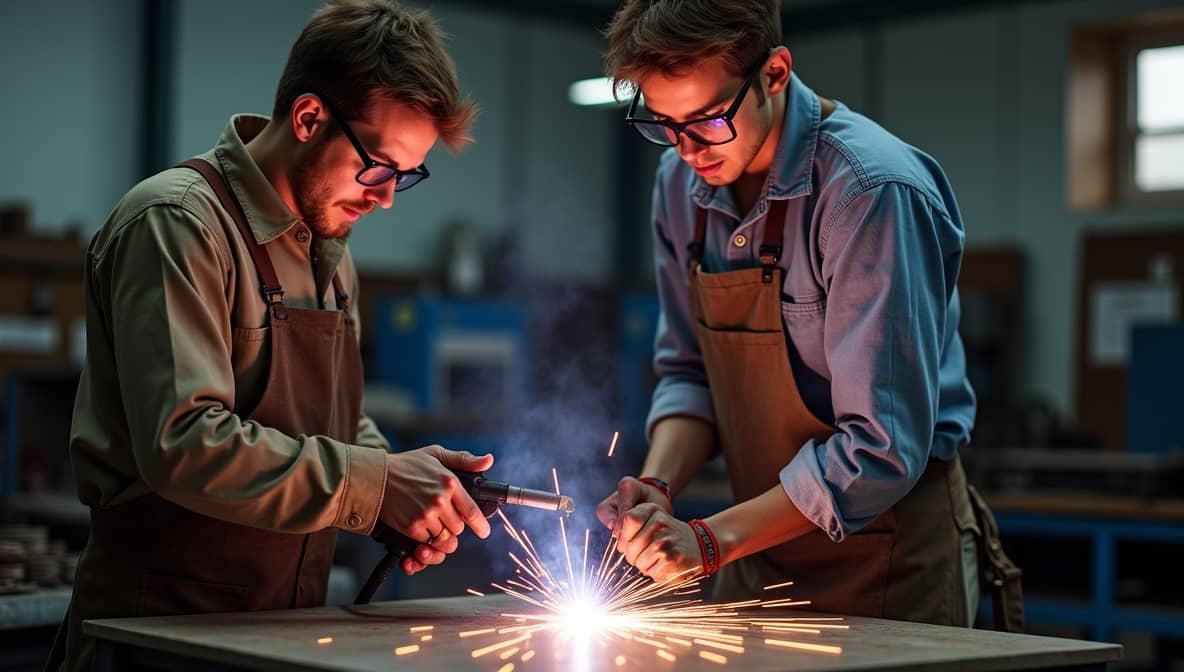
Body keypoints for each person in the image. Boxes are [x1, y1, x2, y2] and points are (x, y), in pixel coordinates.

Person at [47, 2, 492, 670]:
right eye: (378, 166)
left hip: (280, 628)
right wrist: (372, 484)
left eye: (408, 175)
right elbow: (185, 442)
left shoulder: (333, 253)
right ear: (310, 118)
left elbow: (336, 426)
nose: (388, 197)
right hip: (156, 632)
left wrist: (403, 490)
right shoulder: (177, 224)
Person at [596, 0, 1021, 628]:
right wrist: (658, 487)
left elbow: (880, 449)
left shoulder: (870, 194)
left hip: (886, 556)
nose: (687, 150)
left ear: (774, 74)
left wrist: (709, 542)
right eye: (664, 123)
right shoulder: (678, 187)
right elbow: (689, 374)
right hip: (751, 550)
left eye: (709, 120)